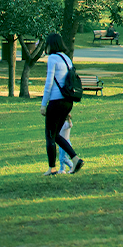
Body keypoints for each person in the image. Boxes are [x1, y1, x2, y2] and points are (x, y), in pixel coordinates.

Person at [40, 33, 84, 176]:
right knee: (56, 135)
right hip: (67, 101)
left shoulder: (52, 59)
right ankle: (76, 159)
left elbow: (49, 83)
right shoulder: (67, 59)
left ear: (50, 44)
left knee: (49, 135)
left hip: (56, 101)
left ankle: (52, 168)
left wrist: (43, 104)